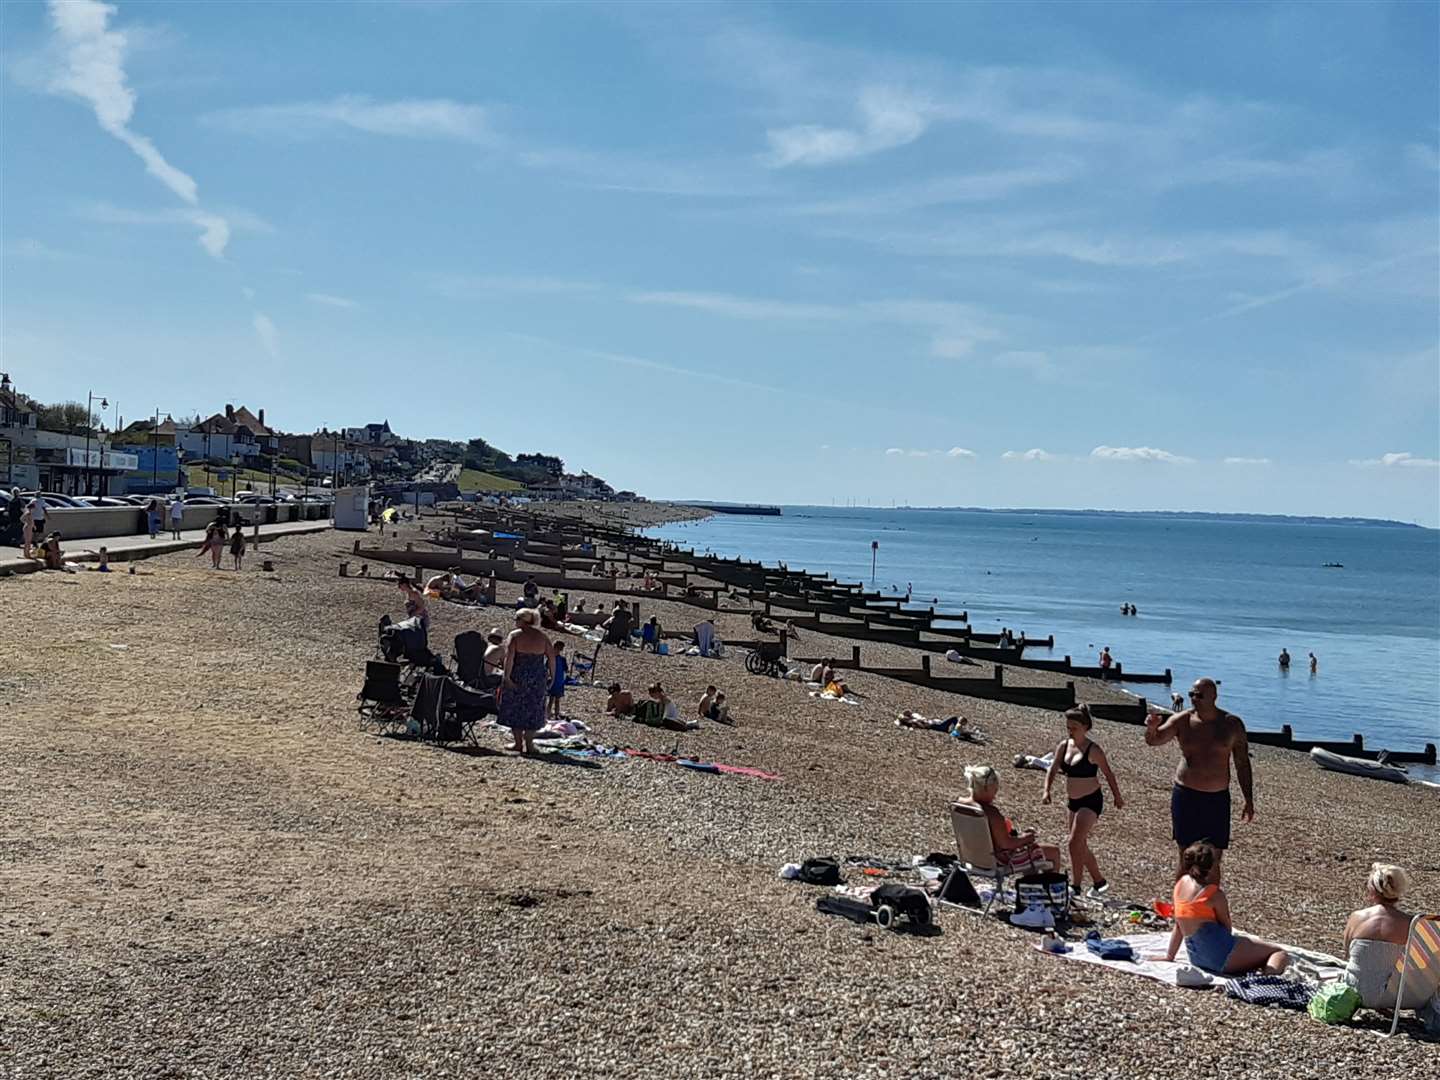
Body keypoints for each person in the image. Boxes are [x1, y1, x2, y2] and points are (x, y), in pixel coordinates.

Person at [1145, 678, 1255, 875]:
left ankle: (1209, 904)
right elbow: (1154, 740)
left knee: (1213, 858)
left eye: (1199, 695)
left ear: (1214, 697)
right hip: (1186, 794)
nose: (1194, 699)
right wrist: (1151, 728)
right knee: (1185, 855)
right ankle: (1181, 904)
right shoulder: (1183, 720)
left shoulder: (1231, 724)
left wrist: (1248, 799)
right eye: (1191, 695)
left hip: (1216, 798)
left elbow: (1242, 762)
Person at [1165, 841, 1288, 975]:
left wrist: (1170, 956)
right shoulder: (1213, 895)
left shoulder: (1180, 885)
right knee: (1278, 952)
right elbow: (1226, 927)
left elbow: (1178, 925)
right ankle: (1267, 979)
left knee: (1250, 946)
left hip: (1197, 958)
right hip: (1221, 956)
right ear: (1212, 865)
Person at [1042, 705, 1125, 896]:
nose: (1070, 731)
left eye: (1075, 728)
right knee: (1080, 844)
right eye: (1068, 727)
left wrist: (1117, 796)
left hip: (1091, 800)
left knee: (1073, 842)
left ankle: (1075, 886)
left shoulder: (1093, 750)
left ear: (1085, 727)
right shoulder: (1064, 746)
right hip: (1073, 800)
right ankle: (1099, 882)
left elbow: (1108, 774)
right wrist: (1047, 790)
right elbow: (1053, 768)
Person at [1343, 863, 1440, 1013]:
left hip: (1355, 991)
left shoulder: (1357, 917)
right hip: (1402, 997)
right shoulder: (1413, 924)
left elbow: (1348, 956)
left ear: (1372, 889)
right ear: (1399, 890)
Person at [963, 764, 1062, 874]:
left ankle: (1032, 888)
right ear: (987, 788)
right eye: (995, 790)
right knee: (1053, 851)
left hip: (972, 858)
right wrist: (1026, 838)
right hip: (998, 861)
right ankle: (1053, 889)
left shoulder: (960, 805)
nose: (995, 795)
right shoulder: (991, 814)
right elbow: (1006, 844)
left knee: (1032, 851)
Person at [498, 609, 554, 754]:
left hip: (518, 675)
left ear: (522, 620)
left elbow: (509, 657)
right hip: (537, 677)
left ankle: (518, 743)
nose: (515, 622)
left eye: (516, 619)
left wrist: (507, 676)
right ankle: (529, 744)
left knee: (516, 707)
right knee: (534, 708)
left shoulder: (515, 636)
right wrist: (552, 677)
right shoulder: (542, 636)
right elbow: (552, 658)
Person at [547, 640, 568, 720]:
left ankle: (556, 714)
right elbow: (547, 668)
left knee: (557, 699)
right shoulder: (551, 658)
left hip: (559, 681)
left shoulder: (562, 659)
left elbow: (566, 669)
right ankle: (548, 714)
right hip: (553, 681)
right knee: (551, 699)